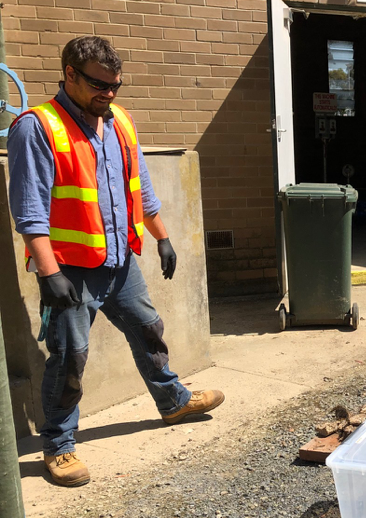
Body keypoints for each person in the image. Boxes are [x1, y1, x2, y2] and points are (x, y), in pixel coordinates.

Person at [7, 36, 225, 488]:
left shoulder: (119, 120)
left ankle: (174, 402)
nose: (108, 94)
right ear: (69, 74)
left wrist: (162, 237)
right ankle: (59, 448)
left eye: (115, 86)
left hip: (120, 261)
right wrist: (49, 273)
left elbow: (139, 187)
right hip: (70, 269)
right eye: (98, 85)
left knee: (148, 330)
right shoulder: (38, 127)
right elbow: (29, 211)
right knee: (69, 358)